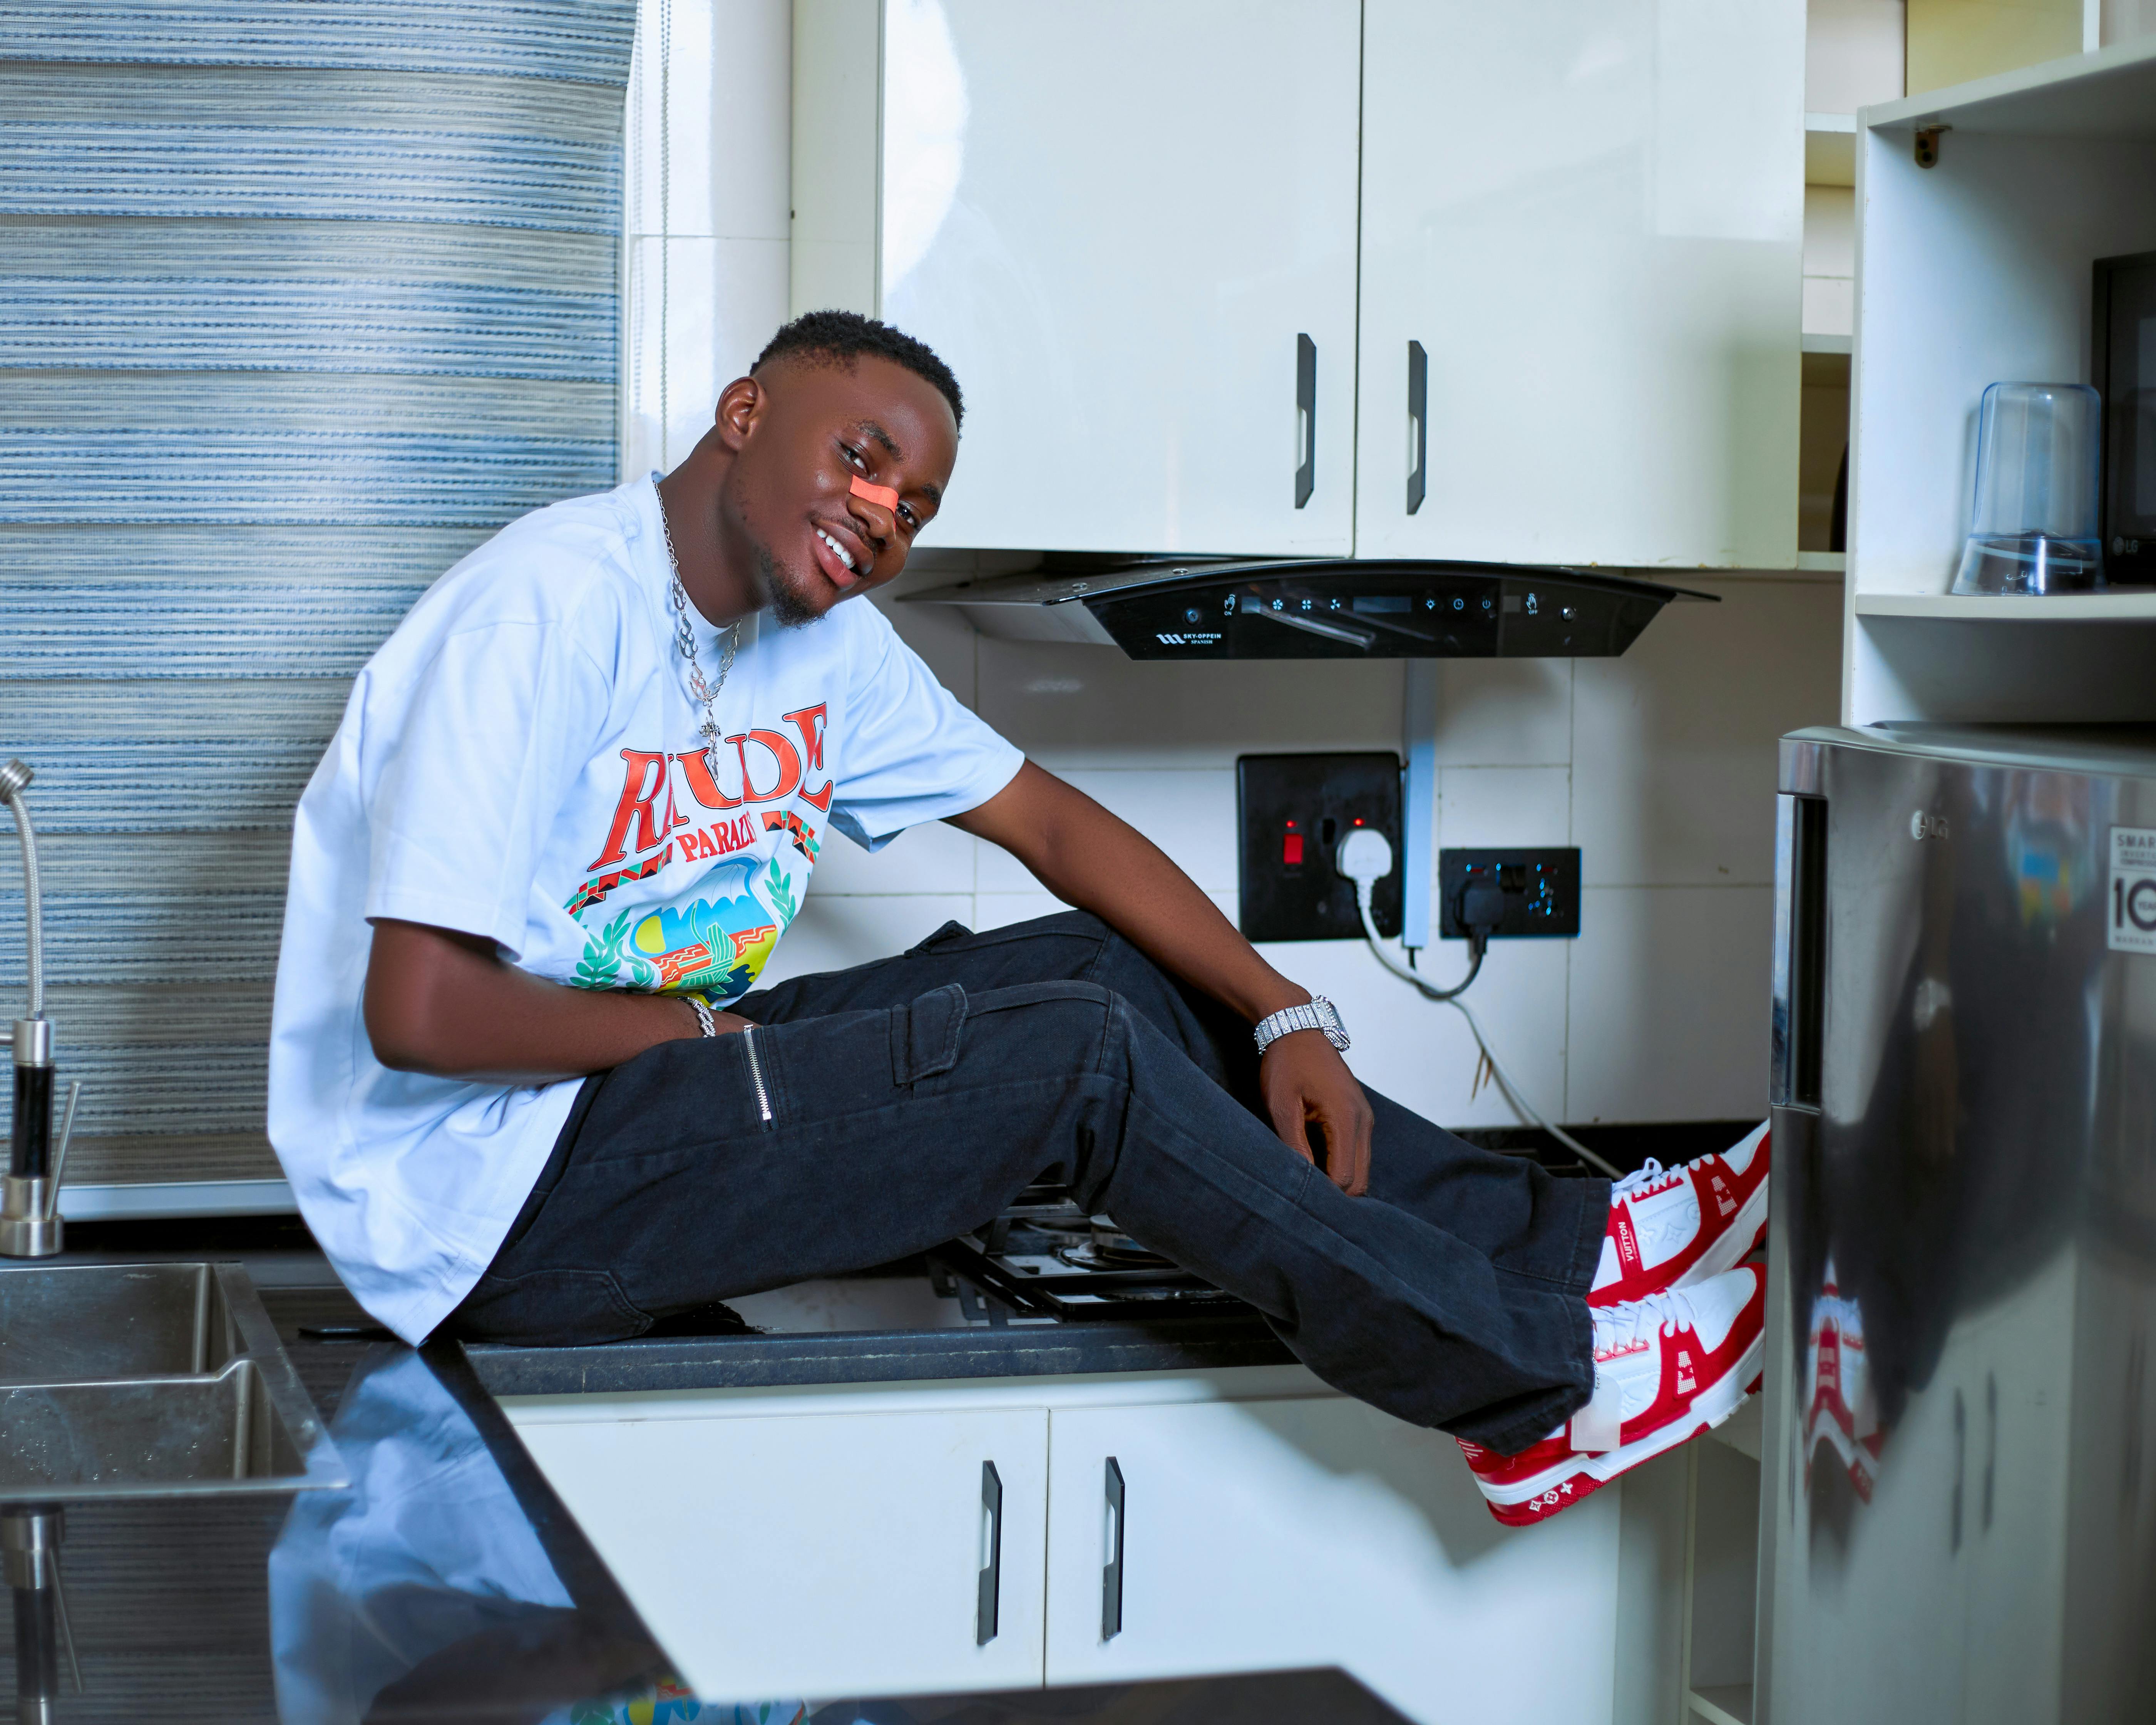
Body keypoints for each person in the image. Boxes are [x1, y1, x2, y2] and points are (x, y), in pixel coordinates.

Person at [268, 310, 1769, 1524]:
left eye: (912, 505)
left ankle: (1571, 1239)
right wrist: (693, 1024)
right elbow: (423, 1009)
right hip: (489, 1201)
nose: (881, 516)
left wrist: (1282, 1008)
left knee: (1093, 972)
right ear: (742, 412)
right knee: (1071, 1060)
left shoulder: (818, 646)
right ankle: (1532, 1392)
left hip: (629, 1091)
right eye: (858, 459)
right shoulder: (545, 614)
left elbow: (1049, 823)